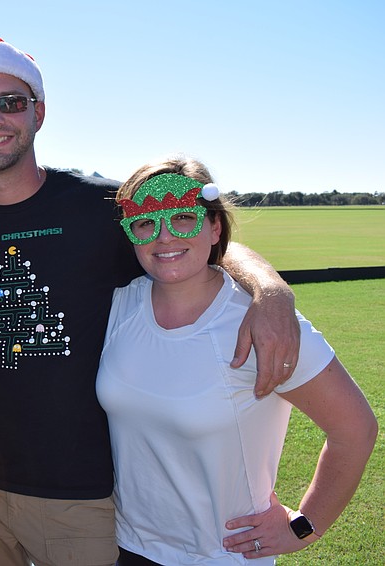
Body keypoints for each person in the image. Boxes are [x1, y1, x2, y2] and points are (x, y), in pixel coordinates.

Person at [0, 36, 303, 566]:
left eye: (10, 101)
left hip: (83, 491)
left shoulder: (100, 205)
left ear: (38, 112)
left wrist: (270, 288)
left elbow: (182, 236)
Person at [96, 156, 377, 565]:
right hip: (128, 548)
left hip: (223, 555)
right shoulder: (120, 304)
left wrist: (305, 526)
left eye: (184, 218)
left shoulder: (262, 322)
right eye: (145, 223)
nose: (165, 237)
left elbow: (355, 428)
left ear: (214, 226)